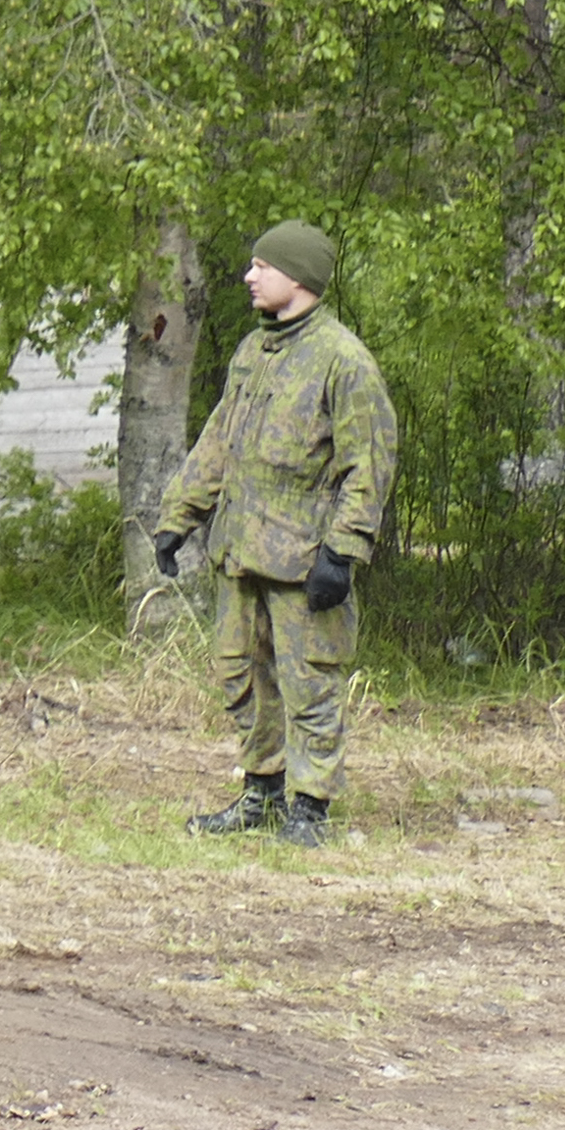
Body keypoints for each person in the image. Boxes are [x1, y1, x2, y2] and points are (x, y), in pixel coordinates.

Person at [151, 219, 397, 850]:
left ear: (300, 277)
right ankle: (260, 793)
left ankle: (309, 808)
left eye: (262, 267)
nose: (249, 277)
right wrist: (179, 517)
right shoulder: (252, 352)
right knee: (241, 676)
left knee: (310, 681)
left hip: (302, 558)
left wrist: (342, 553)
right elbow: (219, 440)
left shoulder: (343, 362)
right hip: (241, 552)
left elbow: (367, 464)